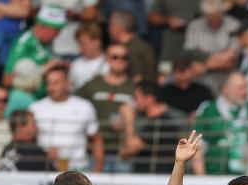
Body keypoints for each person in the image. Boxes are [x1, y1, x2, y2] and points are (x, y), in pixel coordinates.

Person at [29, 64, 104, 172]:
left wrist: (98, 170)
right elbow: (27, 140)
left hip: (78, 170)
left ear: (67, 83)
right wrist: (42, 154)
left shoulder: (84, 106)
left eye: (56, 83)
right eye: (48, 83)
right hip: (44, 169)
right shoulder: (35, 108)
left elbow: (96, 139)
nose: (51, 87)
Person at [192, 71, 248, 175]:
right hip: (214, 175)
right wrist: (202, 178)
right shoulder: (208, 110)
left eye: (246, 87)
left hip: (247, 178)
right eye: (240, 88)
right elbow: (197, 145)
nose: (245, 92)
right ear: (225, 89)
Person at [76, 42, 135, 172]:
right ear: (107, 59)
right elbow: (75, 106)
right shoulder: (92, 85)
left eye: (124, 57)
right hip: (94, 151)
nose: (119, 60)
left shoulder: (134, 87)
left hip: (123, 153)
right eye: (115, 57)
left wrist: (127, 123)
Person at [2, 5, 66, 114]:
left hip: (44, 100)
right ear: (42, 26)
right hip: (24, 101)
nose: (57, 36)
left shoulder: (46, 44)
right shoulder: (24, 43)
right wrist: (45, 68)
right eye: (55, 31)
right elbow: (7, 79)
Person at [118, 82, 185, 173]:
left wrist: (128, 119)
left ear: (149, 98)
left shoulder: (159, 123)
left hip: (155, 176)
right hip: (153, 175)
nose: (135, 102)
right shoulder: (161, 120)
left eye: (137, 98)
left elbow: (128, 151)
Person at [108, 9, 155, 83]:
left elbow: (137, 78)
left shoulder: (131, 49)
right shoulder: (141, 44)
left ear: (119, 28)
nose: (109, 30)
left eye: (111, 26)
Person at [68, 21, 105, 92]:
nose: (80, 49)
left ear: (97, 41)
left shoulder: (110, 63)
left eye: (84, 44)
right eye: (79, 44)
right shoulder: (76, 64)